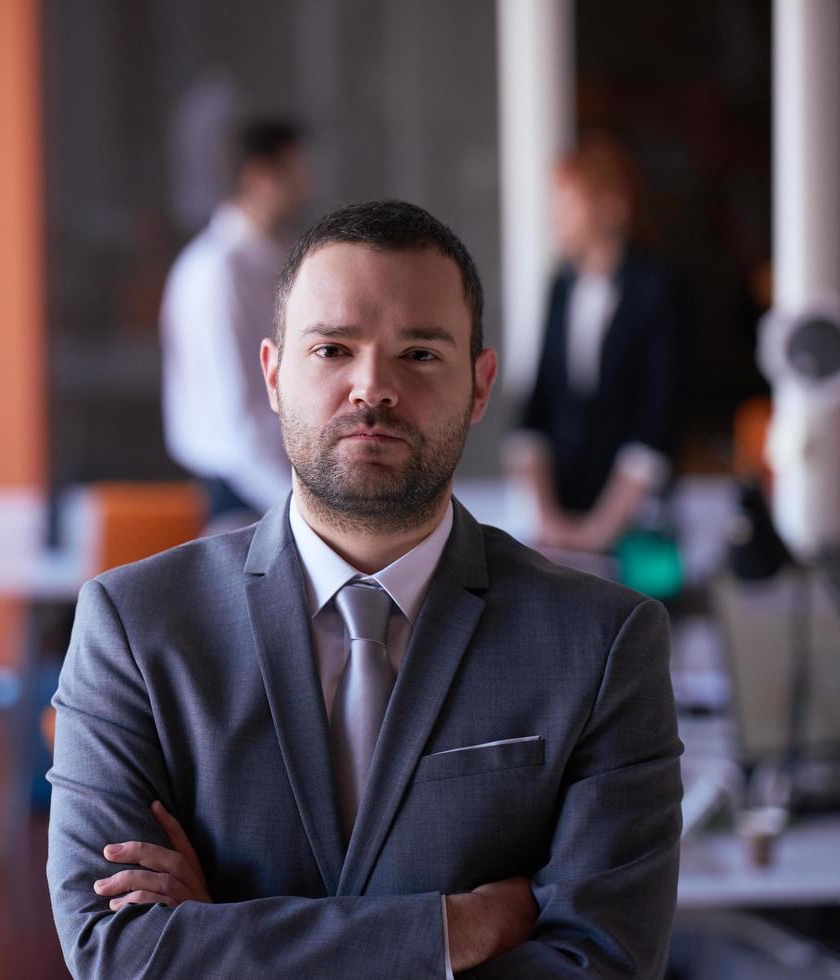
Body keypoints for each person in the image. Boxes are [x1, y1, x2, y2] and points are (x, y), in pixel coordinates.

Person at [48, 200, 683, 977]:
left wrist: (220, 937)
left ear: (480, 386)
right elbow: (112, 952)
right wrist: (452, 931)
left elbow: (602, 964)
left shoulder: (605, 642)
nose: (372, 388)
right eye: (332, 350)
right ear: (274, 375)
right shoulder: (134, 628)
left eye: (419, 354)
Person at [508, 135, 683, 553]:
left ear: (613, 207)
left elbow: (659, 415)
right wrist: (548, 517)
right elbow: (540, 402)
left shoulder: (659, 288)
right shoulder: (561, 285)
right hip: (560, 513)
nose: (557, 219)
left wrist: (602, 529)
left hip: (635, 520)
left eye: (568, 205)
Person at [160, 117, 310, 525]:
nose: (306, 187)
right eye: (297, 172)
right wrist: (306, 509)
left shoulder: (273, 259)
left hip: (279, 482)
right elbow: (238, 418)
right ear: (261, 176)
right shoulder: (218, 272)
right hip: (244, 490)